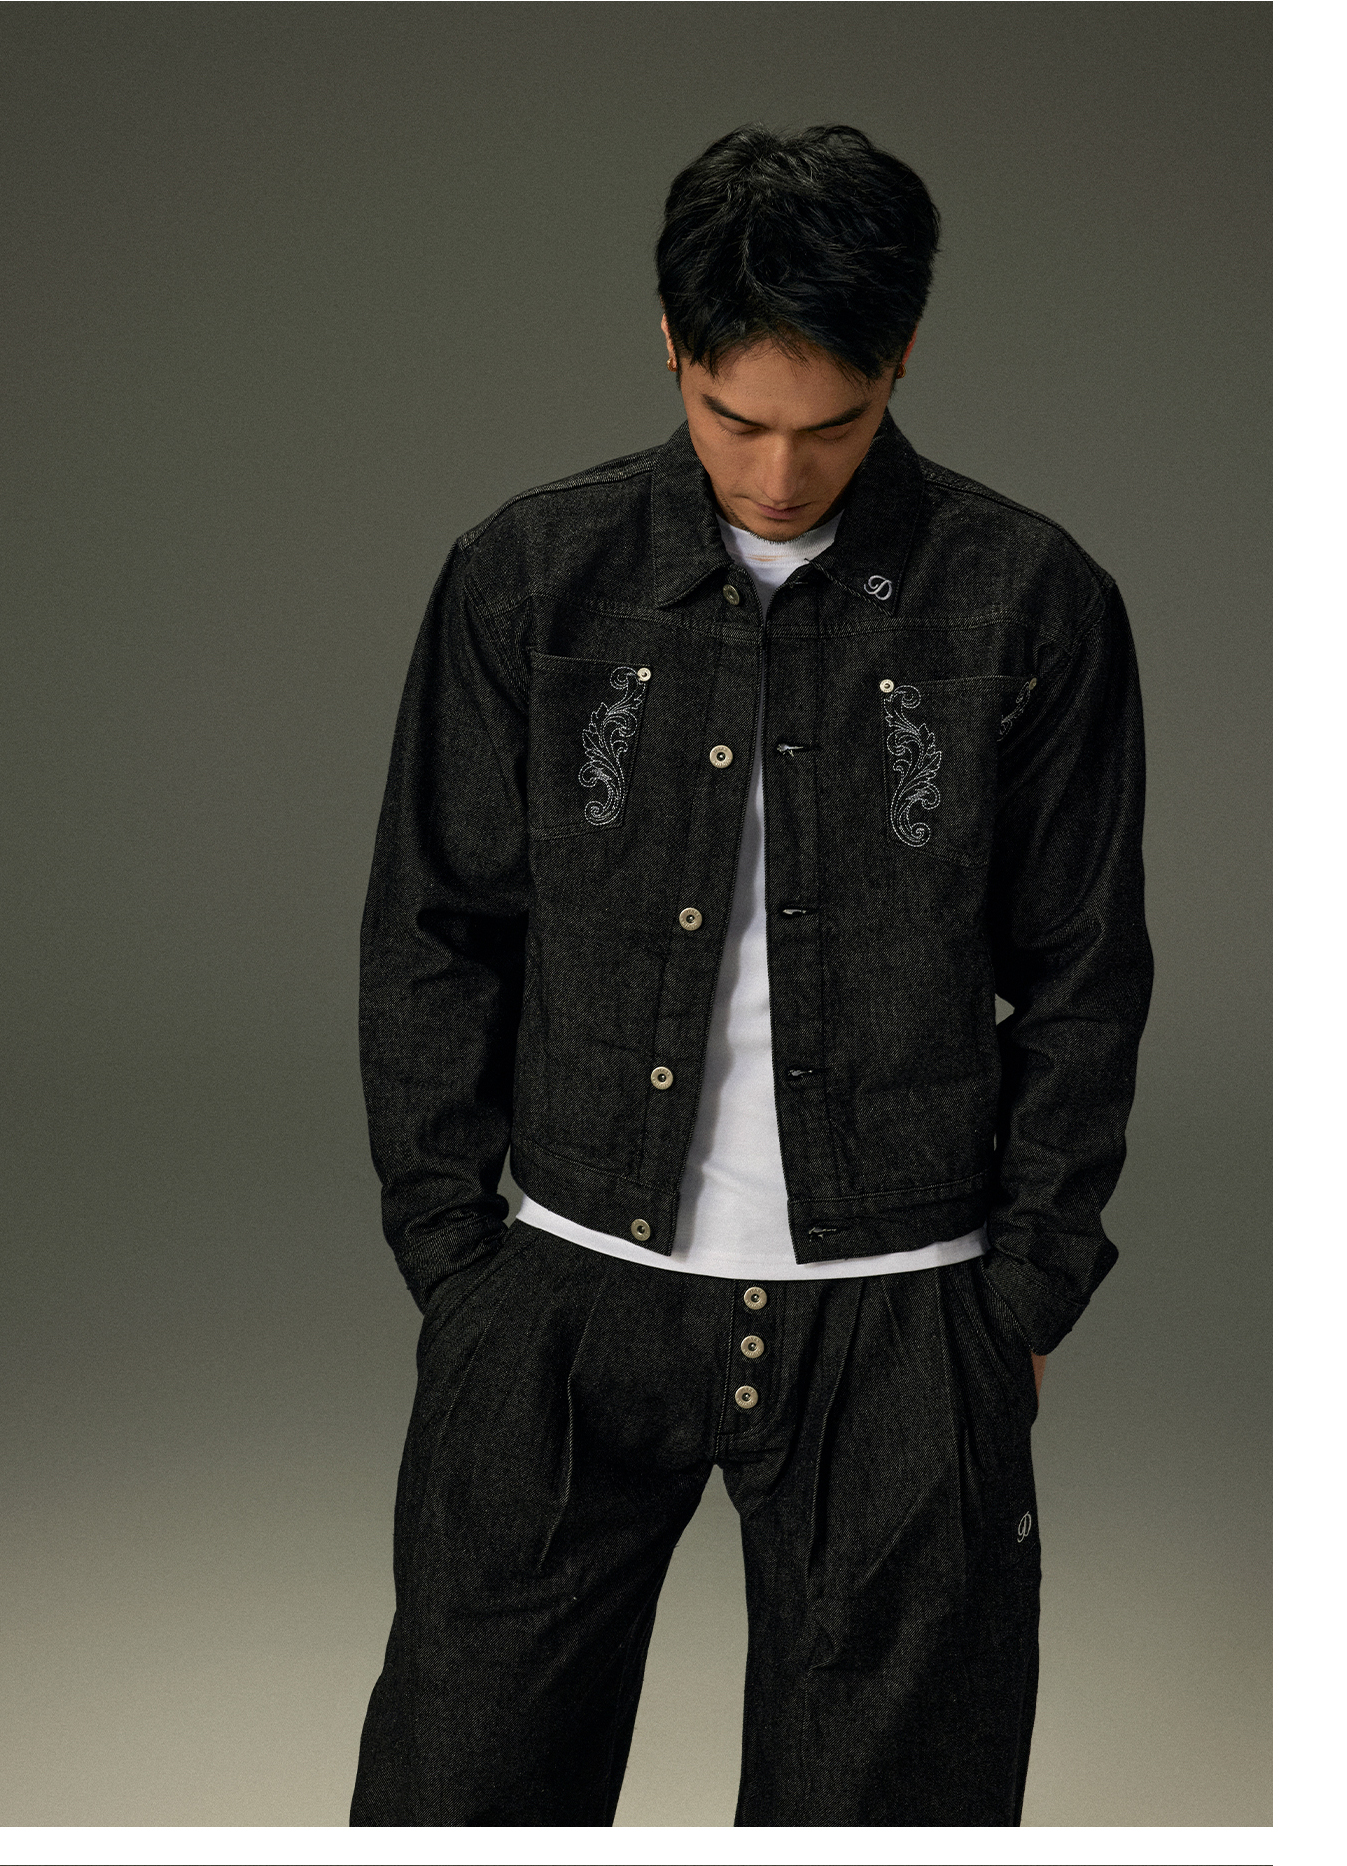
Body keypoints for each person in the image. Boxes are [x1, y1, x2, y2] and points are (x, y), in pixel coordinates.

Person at [350, 122, 1153, 1827]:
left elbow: (1085, 970)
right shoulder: (530, 580)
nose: (780, 474)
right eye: (735, 419)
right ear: (669, 344)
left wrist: (1020, 1297)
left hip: (904, 1313)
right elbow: (434, 929)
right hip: (569, 1290)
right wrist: (457, 1268)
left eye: (831, 425)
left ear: (903, 357)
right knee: (460, 1796)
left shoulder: (1029, 602)